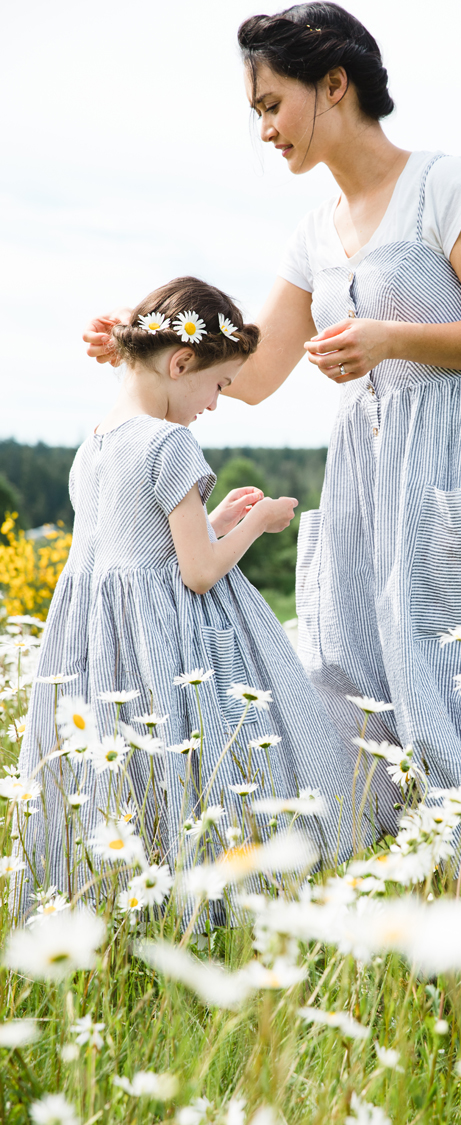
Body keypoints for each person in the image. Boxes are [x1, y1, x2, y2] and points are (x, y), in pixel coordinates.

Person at [84, 3, 461, 852]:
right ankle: (423, 892)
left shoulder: (442, 185)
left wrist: (392, 338)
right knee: (365, 678)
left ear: (335, 85)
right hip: (367, 483)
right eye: (258, 112)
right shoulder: (314, 233)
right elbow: (259, 370)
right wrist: (148, 344)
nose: (265, 129)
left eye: (272, 104)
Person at [20, 276, 356, 912]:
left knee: (122, 768)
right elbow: (198, 575)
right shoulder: (170, 440)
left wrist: (219, 518)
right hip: (167, 640)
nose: (215, 403)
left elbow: (146, 546)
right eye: (220, 385)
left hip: (102, 640)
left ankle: (106, 893)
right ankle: (222, 895)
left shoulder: (95, 442)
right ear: (182, 363)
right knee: (206, 756)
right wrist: (259, 522)